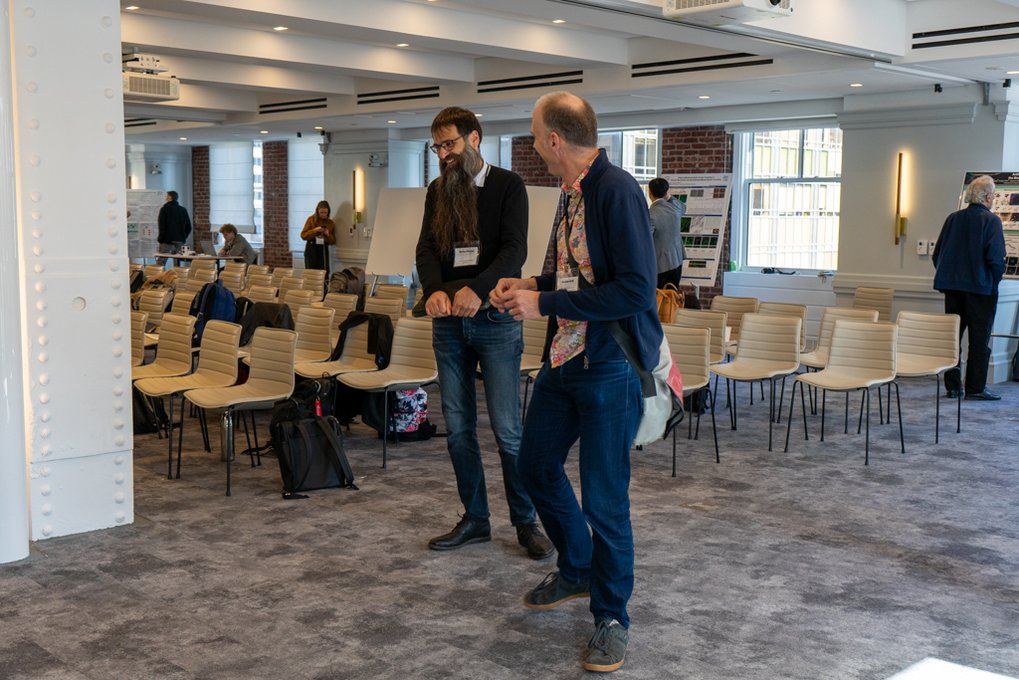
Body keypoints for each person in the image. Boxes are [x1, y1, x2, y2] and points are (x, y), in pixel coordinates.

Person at [490, 91, 660, 673]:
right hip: (564, 359)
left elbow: (636, 290)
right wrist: (526, 285)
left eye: (536, 137)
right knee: (535, 467)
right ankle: (577, 566)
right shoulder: (570, 190)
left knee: (605, 499)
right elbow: (572, 273)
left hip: (608, 366)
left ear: (555, 141)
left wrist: (545, 301)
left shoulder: (616, 192)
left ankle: (612, 617)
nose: (534, 147)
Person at [415, 106, 553, 562]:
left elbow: (515, 250)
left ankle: (525, 522)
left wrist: (476, 289)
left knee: (508, 431)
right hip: (448, 323)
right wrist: (433, 289)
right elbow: (427, 249)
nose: (443, 154)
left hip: (493, 320)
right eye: (437, 147)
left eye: (450, 144)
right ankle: (475, 518)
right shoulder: (438, 190)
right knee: (457, 429)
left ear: (474, 139)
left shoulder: (508, 185)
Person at [932, 174, 1006, 401]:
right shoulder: (991, 221)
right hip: (981, 290)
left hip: (952, 288)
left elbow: (938, 255)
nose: (993, 199)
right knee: (979, 341)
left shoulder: (953, 218)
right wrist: (994, 282)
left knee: (953, 339)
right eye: (993, 195)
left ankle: (953, 387)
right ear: (987, 197)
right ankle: (975, 388)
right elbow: (995, 259)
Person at [647, 177, 686, 289]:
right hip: (677, 260)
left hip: (660, 264)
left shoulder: (650, 214)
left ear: (650, 193)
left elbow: (646, 239)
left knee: (660, 299)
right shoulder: (676, 208)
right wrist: (667, 196)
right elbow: (684, 207)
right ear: (666, 192)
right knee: (673, 297)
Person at [156, 190, 192, 263]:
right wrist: (183, 237)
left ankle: (160, 274)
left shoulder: (164, 209)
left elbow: (162, 225)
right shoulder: (183, 210)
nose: (166, 197)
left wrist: (160, 238)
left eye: (167, 196)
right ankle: (178, 274)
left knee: (161, 261)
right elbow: (189, 227)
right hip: (179, 240)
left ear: (170, 197)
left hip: (166, 239)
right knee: (178, 261)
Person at [301, 200, 336, 273]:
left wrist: (327, 234)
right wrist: (314, 231)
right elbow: (303, 235)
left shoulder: (330, 223)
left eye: (325, 213)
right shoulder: (311, 219)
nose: (323, 215)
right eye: (321, 212)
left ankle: (323, 284)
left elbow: (333, 241)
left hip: (323, 249)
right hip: (311, 248)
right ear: (317, 211)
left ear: (328, 212)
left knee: (324, 272)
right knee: (311, 273)